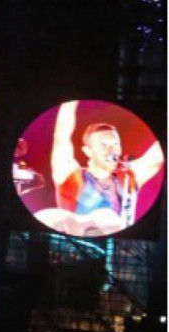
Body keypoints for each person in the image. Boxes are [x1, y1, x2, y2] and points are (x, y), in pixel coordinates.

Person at [41, 101, 164, 236]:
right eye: (104, 145)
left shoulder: (130, 177)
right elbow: (61, 137)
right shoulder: (69, 174)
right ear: (88, 151)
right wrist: (70, 99)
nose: (112, 150)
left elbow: (157, 154)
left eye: (116, 144)